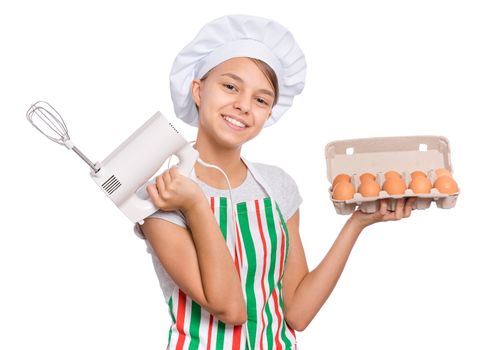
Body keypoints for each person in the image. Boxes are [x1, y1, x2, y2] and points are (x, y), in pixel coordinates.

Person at [134, 15, 416, 350]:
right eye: (230, 86)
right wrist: (195, 204)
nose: (243, 105)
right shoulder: (159, 194)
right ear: (198, 89)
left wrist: (357, 223)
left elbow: (297, 312)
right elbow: (229, 308)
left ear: (269, 114)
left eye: (261, 99)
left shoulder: (276, 185)